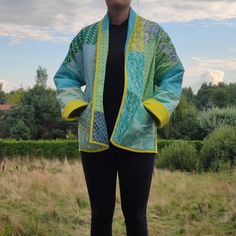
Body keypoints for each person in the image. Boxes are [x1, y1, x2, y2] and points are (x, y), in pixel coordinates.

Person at [53, 0, 185, 235]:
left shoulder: (153, 34)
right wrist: (78, 107)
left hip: (138, 138)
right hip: (95, 140)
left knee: (136, 218)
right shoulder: (86, 37)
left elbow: (172, 75)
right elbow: (66, 77)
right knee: (100, 217)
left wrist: (153, 110)